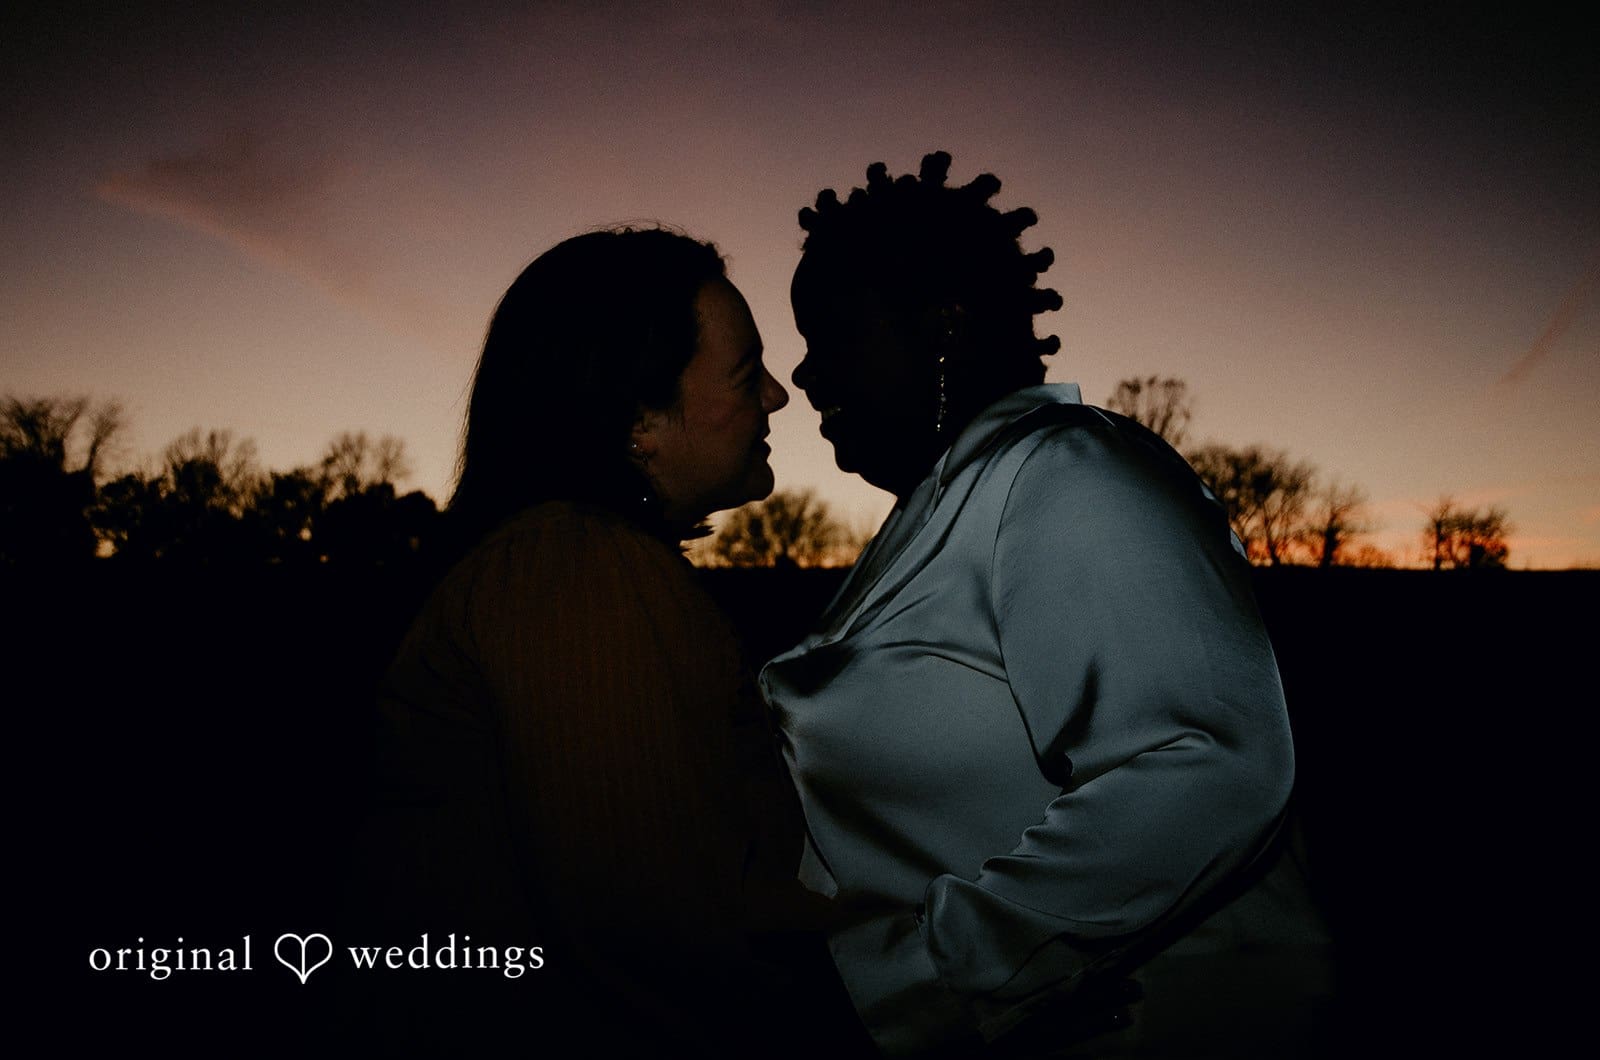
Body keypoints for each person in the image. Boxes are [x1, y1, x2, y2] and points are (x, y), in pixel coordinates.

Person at [761, 154, 1333, 1056]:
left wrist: (939, 980)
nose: (804, 375)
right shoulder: (940, 513)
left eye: (831, 335)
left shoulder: (1068, 474)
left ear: (942, 328)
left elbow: (1207, 763)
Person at [345, 227, 820, 1052]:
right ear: (640, 420)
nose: (777, 397)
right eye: (747, 373)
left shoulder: (569, 564)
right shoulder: (578, 571)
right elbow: (659, 932)